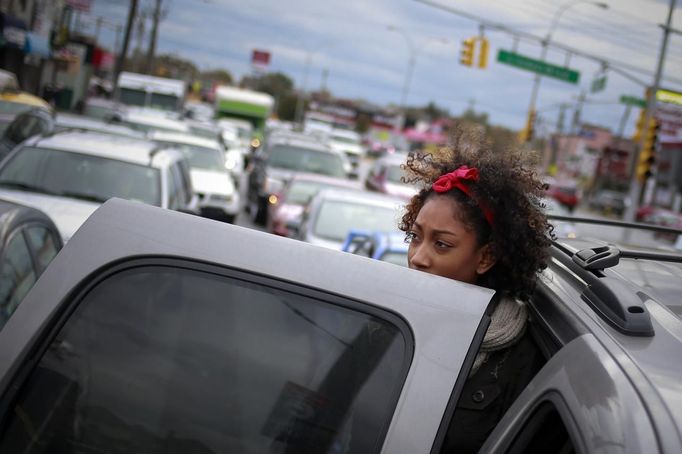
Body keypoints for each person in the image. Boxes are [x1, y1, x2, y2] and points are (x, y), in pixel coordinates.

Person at [399, 126, 553, 453]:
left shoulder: (521, 359)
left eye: (441, 244)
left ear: (486, 257)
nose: (418, 257)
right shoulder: (387, 317)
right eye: (415, 236)